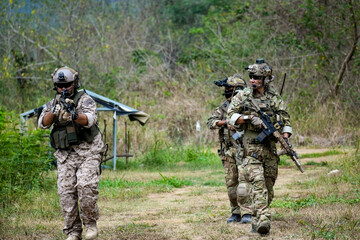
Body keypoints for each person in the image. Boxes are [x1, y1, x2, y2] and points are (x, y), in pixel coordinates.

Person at [38, 66, 104, 240]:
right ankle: (73, 231)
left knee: (86, 186)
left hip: (88, 151)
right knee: (66, 193)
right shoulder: (53, 102)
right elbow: (42, 123)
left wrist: (74, 115)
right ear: (56, 87)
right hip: (66, 155)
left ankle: (90, 224)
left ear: (74, 83)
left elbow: (90, 120)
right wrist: (54, 113)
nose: (64, 88)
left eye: (67, 84)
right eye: (60, 86)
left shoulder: (85, 100)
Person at [227, 59, 292, 235]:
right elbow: (230, 117)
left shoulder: (275, 98)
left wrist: (285, 139)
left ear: (266, 79)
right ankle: (263, 218)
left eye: (256, 77)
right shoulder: (242, 96)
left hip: (270, 149)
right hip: (251, 149)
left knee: (269, 187)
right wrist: (248, 119)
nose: (253, 80)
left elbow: (286, 120)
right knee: (258, 184)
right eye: (251, 77)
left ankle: (257, 218)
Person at [206, 74, 251, 224]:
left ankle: (247, 213)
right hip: (228, 151)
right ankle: (235, 212)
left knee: (244, 183)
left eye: (229, 89)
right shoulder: (224, 107)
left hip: (244, 150)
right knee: (231, 184)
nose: (226, 91)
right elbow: (211, 122)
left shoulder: (248, 106)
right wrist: (224, 122)